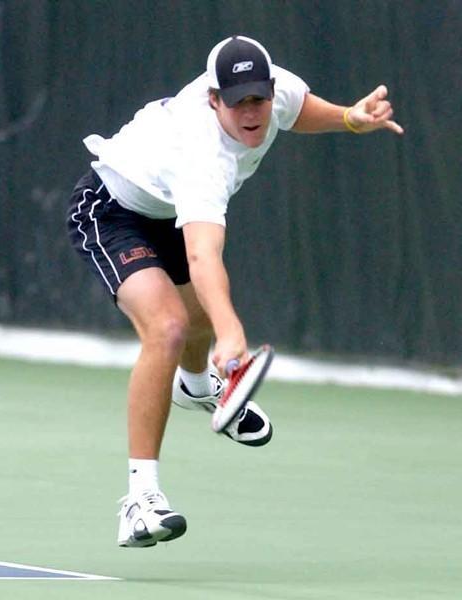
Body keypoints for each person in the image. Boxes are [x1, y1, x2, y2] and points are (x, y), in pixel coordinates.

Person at [66, 35, 403, 548]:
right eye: (237, 101)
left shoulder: (279, 93)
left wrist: (350, 119)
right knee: (170, 328)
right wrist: (233, 334)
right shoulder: (200, 153)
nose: (252, 112)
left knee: (196, 327)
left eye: (259, 99)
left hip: (167, 212)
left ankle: (197, 388)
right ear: (212, 99)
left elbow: (300, 109)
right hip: (113, 212)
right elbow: (203, 256)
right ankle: (140, 499)